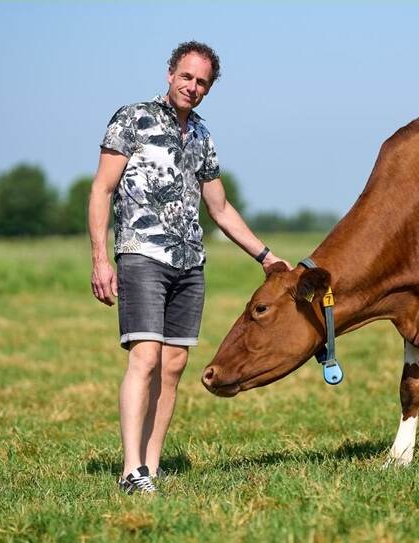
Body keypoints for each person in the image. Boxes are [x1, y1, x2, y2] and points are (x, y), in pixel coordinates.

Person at [88, 41, 289, 494]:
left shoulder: (201, 135)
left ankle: (151, 469)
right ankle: (130, 470)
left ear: (208, 88)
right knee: (146, 356)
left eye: (201, 82)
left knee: (174, 364)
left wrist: (265, 255)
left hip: (189, 263)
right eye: (186, 76)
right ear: (169, 74)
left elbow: (219, 208)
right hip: (141, 254)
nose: (192, 87)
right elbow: (101, 189)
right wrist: (101, 258)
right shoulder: (131, 119)